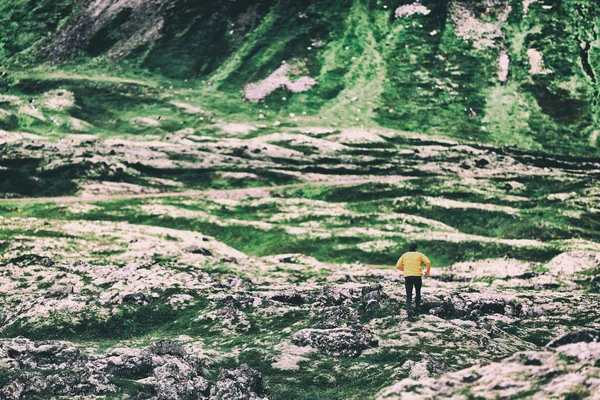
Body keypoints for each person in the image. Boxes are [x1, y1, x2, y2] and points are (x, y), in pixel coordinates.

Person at [396, 241, 431, 321]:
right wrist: (427, 272)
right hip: (417, 276)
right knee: (418, 293)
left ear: (409, 248)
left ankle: (409, 312)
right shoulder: (419, 254)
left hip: (408, 276)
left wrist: (405, 270)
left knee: (408, 296)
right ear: (416, 248)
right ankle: (417, 310)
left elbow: (398, 266)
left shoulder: (404, 255)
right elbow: (428, 262)